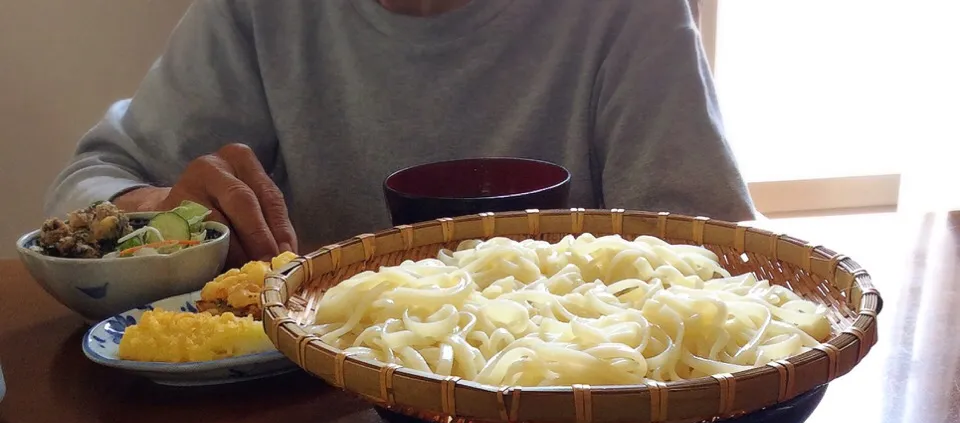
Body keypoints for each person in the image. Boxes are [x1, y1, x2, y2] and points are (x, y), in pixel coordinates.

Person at [46, 0, 754, 264]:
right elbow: (87, 187)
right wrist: (160, 215)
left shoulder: (630, 14)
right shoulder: (255, 12)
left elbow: (720, 259)